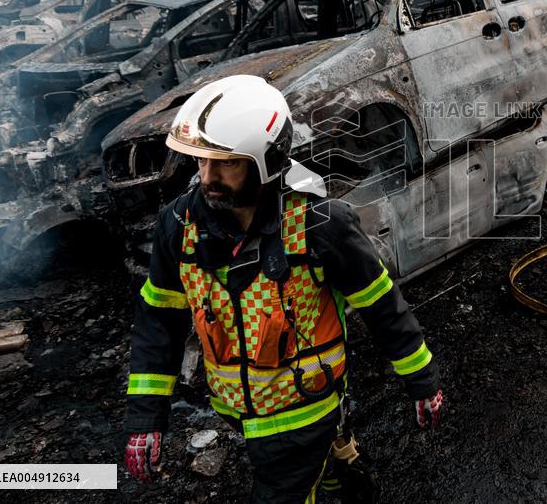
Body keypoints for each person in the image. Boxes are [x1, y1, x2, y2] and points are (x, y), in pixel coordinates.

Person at [123, 74, 442, 502]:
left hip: (305, 411)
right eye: (200, 161)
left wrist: (422, 380)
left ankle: (327, 455)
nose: (207, 177)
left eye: (227, 163)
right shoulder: (179, 225)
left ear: (266, 162)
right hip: (238, 410)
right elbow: (158, 321)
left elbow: (382, 307)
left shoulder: (321, 225)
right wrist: (145, 418)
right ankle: (337, 459)